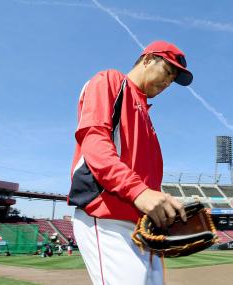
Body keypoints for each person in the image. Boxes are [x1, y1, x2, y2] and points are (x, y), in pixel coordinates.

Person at [68, 40, 192, 285]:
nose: (168, 83)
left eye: (173, 79)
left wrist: (163, 209)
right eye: (167, 72)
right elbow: (95, 144)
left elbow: (147, 183)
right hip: (107, 217)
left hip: (143, 228)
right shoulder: (111, 81)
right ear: (147, 60)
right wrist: (138, 191)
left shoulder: (146, 116)